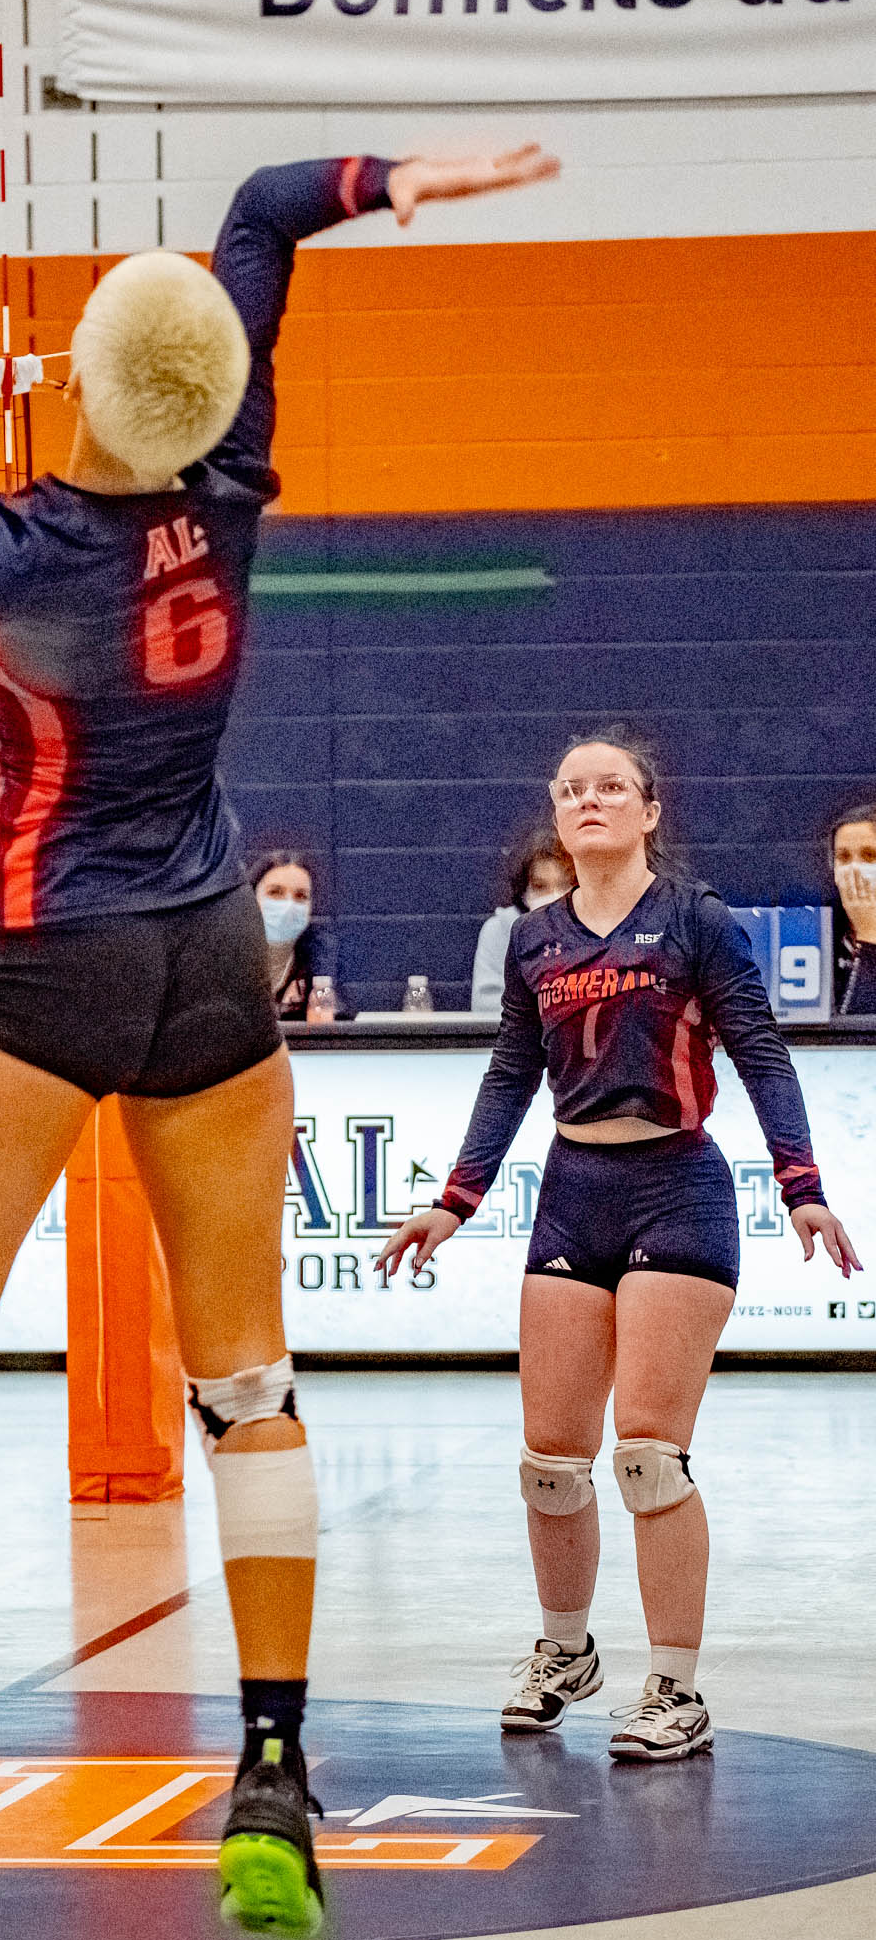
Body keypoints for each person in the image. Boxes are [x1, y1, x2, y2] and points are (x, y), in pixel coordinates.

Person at [0, 138, 557, 1939]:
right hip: (216, 958)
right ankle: (275, 1781)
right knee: (247, 1386)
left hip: (43, 963)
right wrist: (398, 187)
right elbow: (261, 221)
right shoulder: (223, 474)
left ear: (72, 375)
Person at [377, 732, 860, 1765]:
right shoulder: (531, 938)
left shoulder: (696, 921)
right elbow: (511, 1071)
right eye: (570, 789)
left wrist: (802, 1185)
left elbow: (761, 1053)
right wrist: (452, 1200)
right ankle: (563, 1652)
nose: (589, 800)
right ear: (556, 815)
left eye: (611, 787)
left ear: (647, 811)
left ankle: (675, 1688)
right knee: (550, 1464)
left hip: (675, 1191)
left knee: (645, 1454)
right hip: (570, 1195)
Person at [470, 832, 575, 1015]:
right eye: (540, 886)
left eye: (564, 885)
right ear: (524, 891)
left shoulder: (596, 928)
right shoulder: (499, 930)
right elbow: (484, 1006)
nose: (554, 896)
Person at [252, 851, 346, 1022]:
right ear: (251, 899)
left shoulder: (321, 956)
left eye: (300, 896)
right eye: (275, 892)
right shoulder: (223, 956)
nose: (288, 905)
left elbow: (340, 1020)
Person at [829, 796, 876, 1015]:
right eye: (844, 857)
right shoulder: (825, 932)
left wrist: (869, 934)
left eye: (869, 856)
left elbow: (864, 1030)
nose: (855, 868)